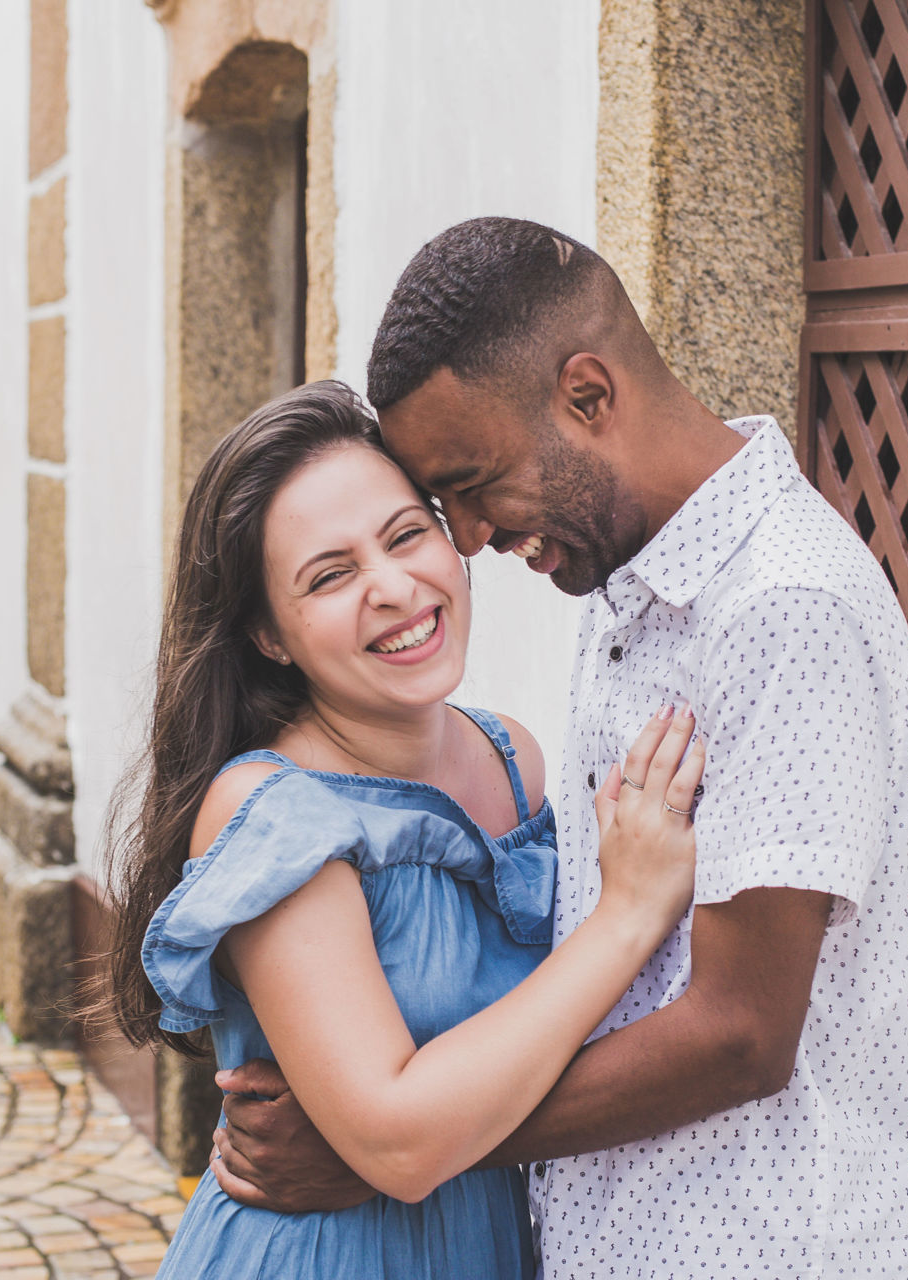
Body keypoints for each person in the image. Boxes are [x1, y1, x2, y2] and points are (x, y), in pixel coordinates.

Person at [209, 219, 908, 1277]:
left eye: (472, 481)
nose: (465, 536)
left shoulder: (782, 605)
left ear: (588, 395)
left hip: (765, 1245)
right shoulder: (623, 588)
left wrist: (397, 1150)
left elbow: (741, 1031)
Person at [100, 381, 706, 1277]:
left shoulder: (515, 764)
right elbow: (400, 1143)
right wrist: (627, 915)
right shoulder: (275, 813)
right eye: (330, 575)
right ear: (270, 633)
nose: (392, 587)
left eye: (405, 535)